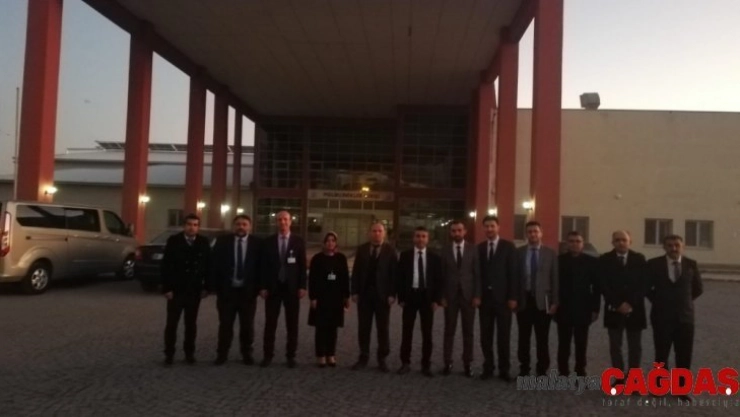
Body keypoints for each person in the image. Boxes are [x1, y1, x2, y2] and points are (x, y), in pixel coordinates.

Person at [646, 234, 703, 401]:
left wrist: (683, 302)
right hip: (661, 316)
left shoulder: (691, 264)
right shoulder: (654, 264)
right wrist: (660, 301)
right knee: (661, 353)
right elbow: (646, 287)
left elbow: (698, 288)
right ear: (664, 247)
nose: (673, 248)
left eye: (677, 245)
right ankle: (659, 386)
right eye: (670, 245)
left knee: (684, 354)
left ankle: (682, 389)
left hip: (685, 318)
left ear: (682, 246)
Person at [207, 214, 261, 365]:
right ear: (233, 226)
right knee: (225, 325)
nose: (241, 227)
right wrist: (213, 287)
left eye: (244, 224)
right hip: (227, 292)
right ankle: (222, 354)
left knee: (247, 326)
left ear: (250, 227)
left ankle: (247, 353)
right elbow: (214, 265)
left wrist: (259, 288)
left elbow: (262, 268)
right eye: (238, 224)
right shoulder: (222, 242)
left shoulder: (257, 244)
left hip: (247, 293)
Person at [160, 214, 211, 365]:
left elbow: (208, 266)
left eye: (195, 225)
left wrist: (206, 287)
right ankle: (169, 354)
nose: (192, 227)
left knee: (191, 324)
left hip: (194, 290)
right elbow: (166, 265)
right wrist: (167, 288)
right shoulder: (174, 241)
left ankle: (189, 353)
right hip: (176, 289)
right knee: (172, 324)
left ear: (198, 227)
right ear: (184, 226)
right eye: (189, 224)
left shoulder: (203, 242)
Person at [260, 211, 307, 368]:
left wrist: (302, 286)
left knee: (292, 324)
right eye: (279, 219)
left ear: (290, 221)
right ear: (276, 222)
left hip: (292, 289)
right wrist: (263, 287)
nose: (282, 222)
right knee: (270, 324)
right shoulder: (268, 242)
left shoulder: (298, 241)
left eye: (285, 219)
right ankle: (268, 355)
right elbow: (263, 266)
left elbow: (302, 266)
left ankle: (291, 356)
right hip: (273, 289)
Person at [599, 230, 648, 382]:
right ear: (612, 242)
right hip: (614, 309)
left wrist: (630, 303)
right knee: (615, 346)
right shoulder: (604, 259)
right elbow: (603, 284)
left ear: (630, 242)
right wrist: (617, 304)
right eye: (617, 240)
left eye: (624, 240)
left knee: (635, 347)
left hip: (635, 309)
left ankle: (634, 379)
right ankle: (619, 378)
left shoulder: (639, 259)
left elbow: (644, 284)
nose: (621, 242)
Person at [350, 221, 398, 373]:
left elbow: (394, 274)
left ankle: (382, 358)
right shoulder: (362, 249)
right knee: (364, 327)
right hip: (364, 295)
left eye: (379, 231)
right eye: (374, 231)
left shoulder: (390, 251)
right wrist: (354, 291)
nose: (377, 233)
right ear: (369, 233)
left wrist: (392, 294)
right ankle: (363, 356)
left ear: (384, 233)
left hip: (382, 296)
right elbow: (356, 272)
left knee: (383, 328)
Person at [397, 227, 443, 377]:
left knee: (427, 333)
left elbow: (438, 280)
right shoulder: (405, 256)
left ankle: (426, 364)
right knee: (407, 332)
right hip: (410, 297)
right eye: (418, 236)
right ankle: (405, 363)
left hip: (427, 298)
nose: (420, 239)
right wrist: (401, 298)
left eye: (424, 236)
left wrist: (436, 300)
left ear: (428, 239)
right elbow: (400, 278)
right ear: (413, 238)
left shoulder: (435, 258)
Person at [477, 215, 519, 381]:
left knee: (504, 336)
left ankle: (504, 369)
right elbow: (477, 274)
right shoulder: (479, 248)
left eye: (492, 226)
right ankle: (488, 367)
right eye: (486, 226)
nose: (489, 229)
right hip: (485, 300)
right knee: (485, 336)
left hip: (503, 300)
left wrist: (513, 297)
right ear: (483, 228)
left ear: (498, 227)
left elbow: (514, 273)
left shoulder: (508, 247)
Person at [516, 221, 559, 377]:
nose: (533, 234)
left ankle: (542, 369)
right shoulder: (519, 253)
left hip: (543, 302)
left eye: (535, 231)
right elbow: (514, 277)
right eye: (529, 231)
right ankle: (524, 368)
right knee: (523, 337)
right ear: (526, 234)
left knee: (542, 338)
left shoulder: (550, 253)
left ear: (541, 233)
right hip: (524, 300)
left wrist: (555, 301)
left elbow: (555, 278)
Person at [555, 231, 600, 376]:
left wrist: (595, 309)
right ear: (567, 243)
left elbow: (596, 288)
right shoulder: (559, 261)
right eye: (571, 241)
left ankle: (580, 371)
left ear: (582, 244)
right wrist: (552, 305)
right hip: (563, 308)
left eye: (578, 241)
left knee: (581, 344)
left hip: (583, 308)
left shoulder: (592, 262)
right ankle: (563, 372)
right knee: (563, 343)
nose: (574, 244)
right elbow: (552, 285)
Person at [440, 220, 480, 378]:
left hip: (468, 296)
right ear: (450, 233)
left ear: (465, 232)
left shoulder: (473, 249)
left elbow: (477, 274)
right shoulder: (444, 250)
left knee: (468, 331)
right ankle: (447, 362)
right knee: (449, 330)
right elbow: (441, 275)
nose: (456, 233)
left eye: (459, 230)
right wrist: (442, 296)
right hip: (450, 297)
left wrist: (477, 295)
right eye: (454, 231)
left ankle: (467, 363)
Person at [308, 232, 350, 368]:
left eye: (333, 240)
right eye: (328, 240)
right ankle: (320, 355)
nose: (330, 243)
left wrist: (346, 297)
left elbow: (345, 278)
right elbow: (312, 279)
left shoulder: (341, 258)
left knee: (333, 327)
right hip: (321, 297)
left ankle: (331, 354)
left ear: (336, 243)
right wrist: (313, 297)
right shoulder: (317, 259)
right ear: (324, 243)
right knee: (321, 327)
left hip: (336, 298)